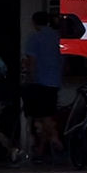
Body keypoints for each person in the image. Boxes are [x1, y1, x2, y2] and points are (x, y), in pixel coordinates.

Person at [22, 12, 64, 162]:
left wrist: (30, 77)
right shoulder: (57, 36)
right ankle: (41, 149)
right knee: (49, 112)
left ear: (34, 22)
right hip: (55, 80)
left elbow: (31, 60)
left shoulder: (34, 38)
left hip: (40, 81)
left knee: (40, 115)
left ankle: (54, 137)